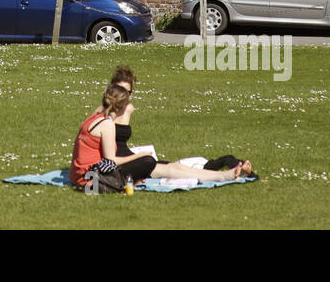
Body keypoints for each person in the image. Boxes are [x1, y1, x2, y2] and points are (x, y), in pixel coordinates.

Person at [71, 84, 247, 192]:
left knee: (169, 167)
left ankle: (225, 175)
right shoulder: (107, 125)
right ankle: (225, 176)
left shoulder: (94, 118)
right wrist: (140, 156)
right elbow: (110, 162)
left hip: (83, 175)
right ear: (120, 106)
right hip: (91, 180)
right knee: (148, 161)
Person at [107, 65, 254, 180]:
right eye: (121, 90)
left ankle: (228, 164)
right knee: (171, 170)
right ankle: (227, 174)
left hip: (128, 158)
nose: (125, 96)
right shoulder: (105, 112)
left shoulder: (128, 109)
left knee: (175, 166)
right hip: (121, 164)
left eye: (128, 92)